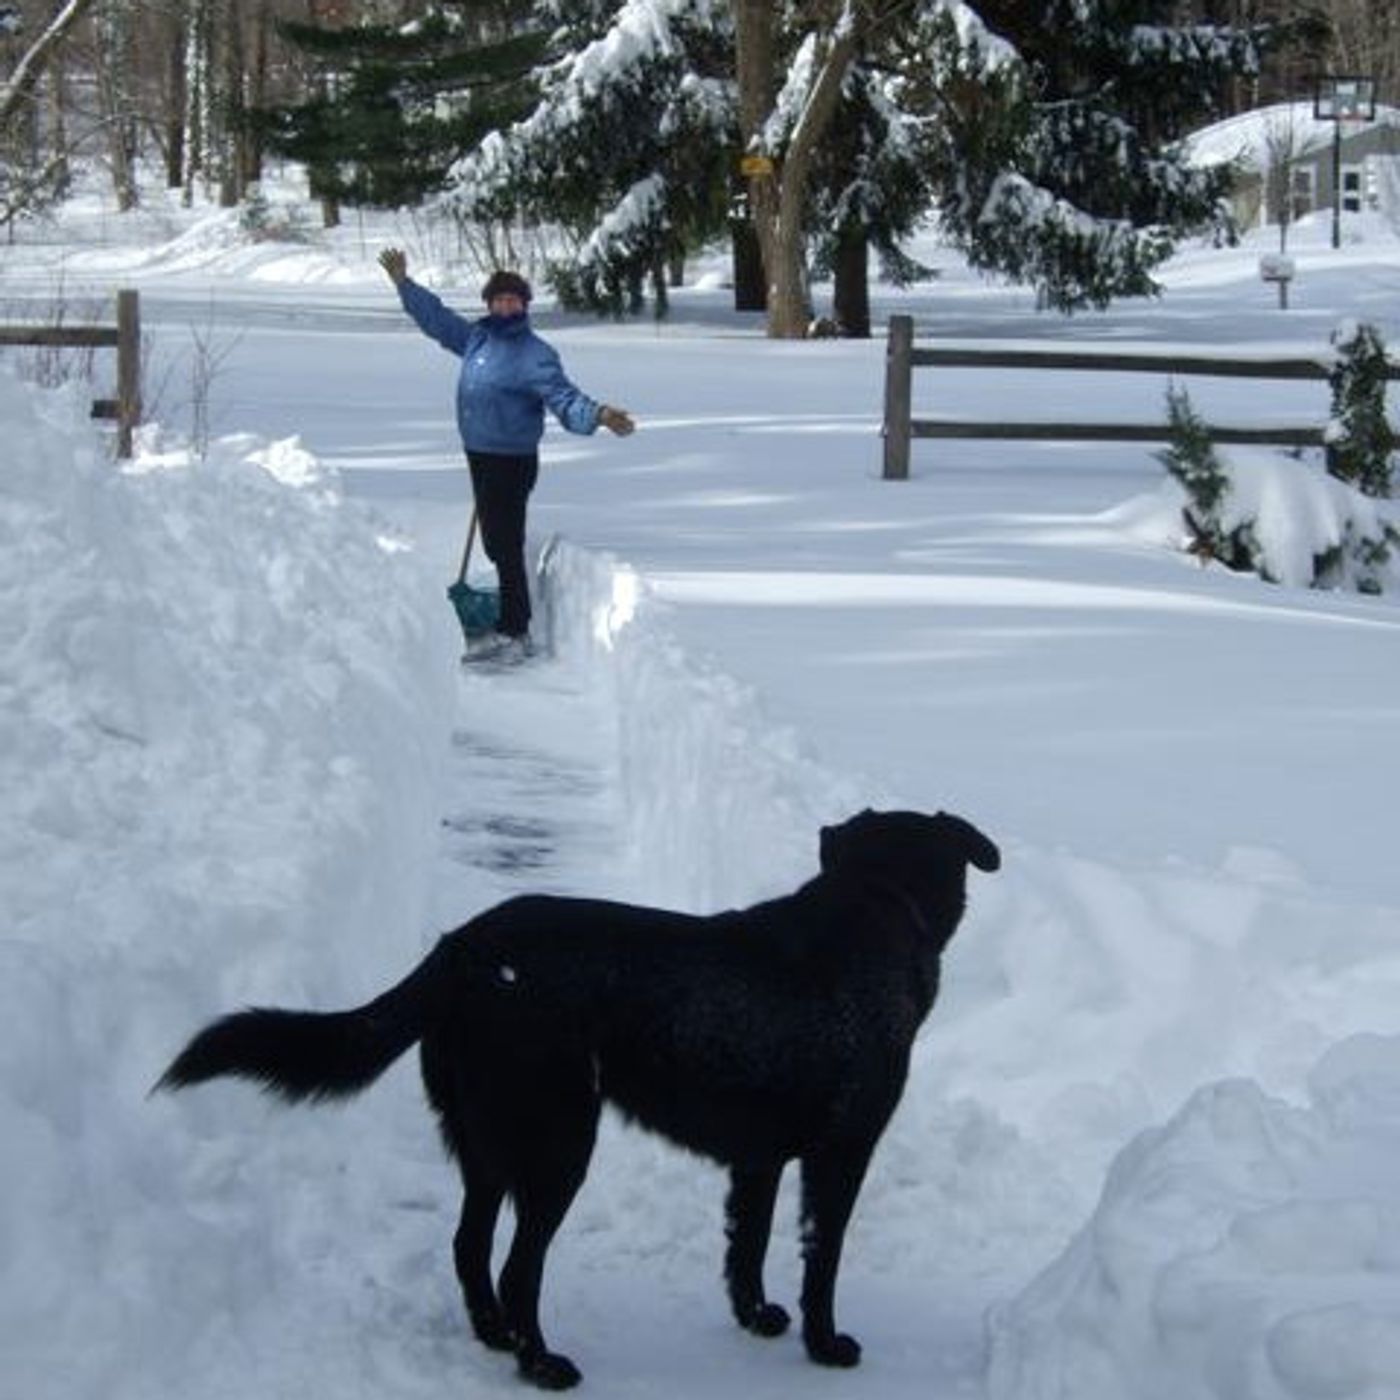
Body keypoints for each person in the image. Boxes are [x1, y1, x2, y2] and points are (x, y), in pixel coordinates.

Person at [378, 247, 635, 663]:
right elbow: (439, 321)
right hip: (478, 452)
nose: (505, 305)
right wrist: (405, 286)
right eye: (498, 299)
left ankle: (515, 630)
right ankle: (512, 616)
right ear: (489, 304)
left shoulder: (535, 354)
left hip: (511, 459)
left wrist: (600, 414)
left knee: (505, 541)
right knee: (497, 540)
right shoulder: (478, 338)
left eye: (513, 299)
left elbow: (565, 399)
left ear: (524, 305)